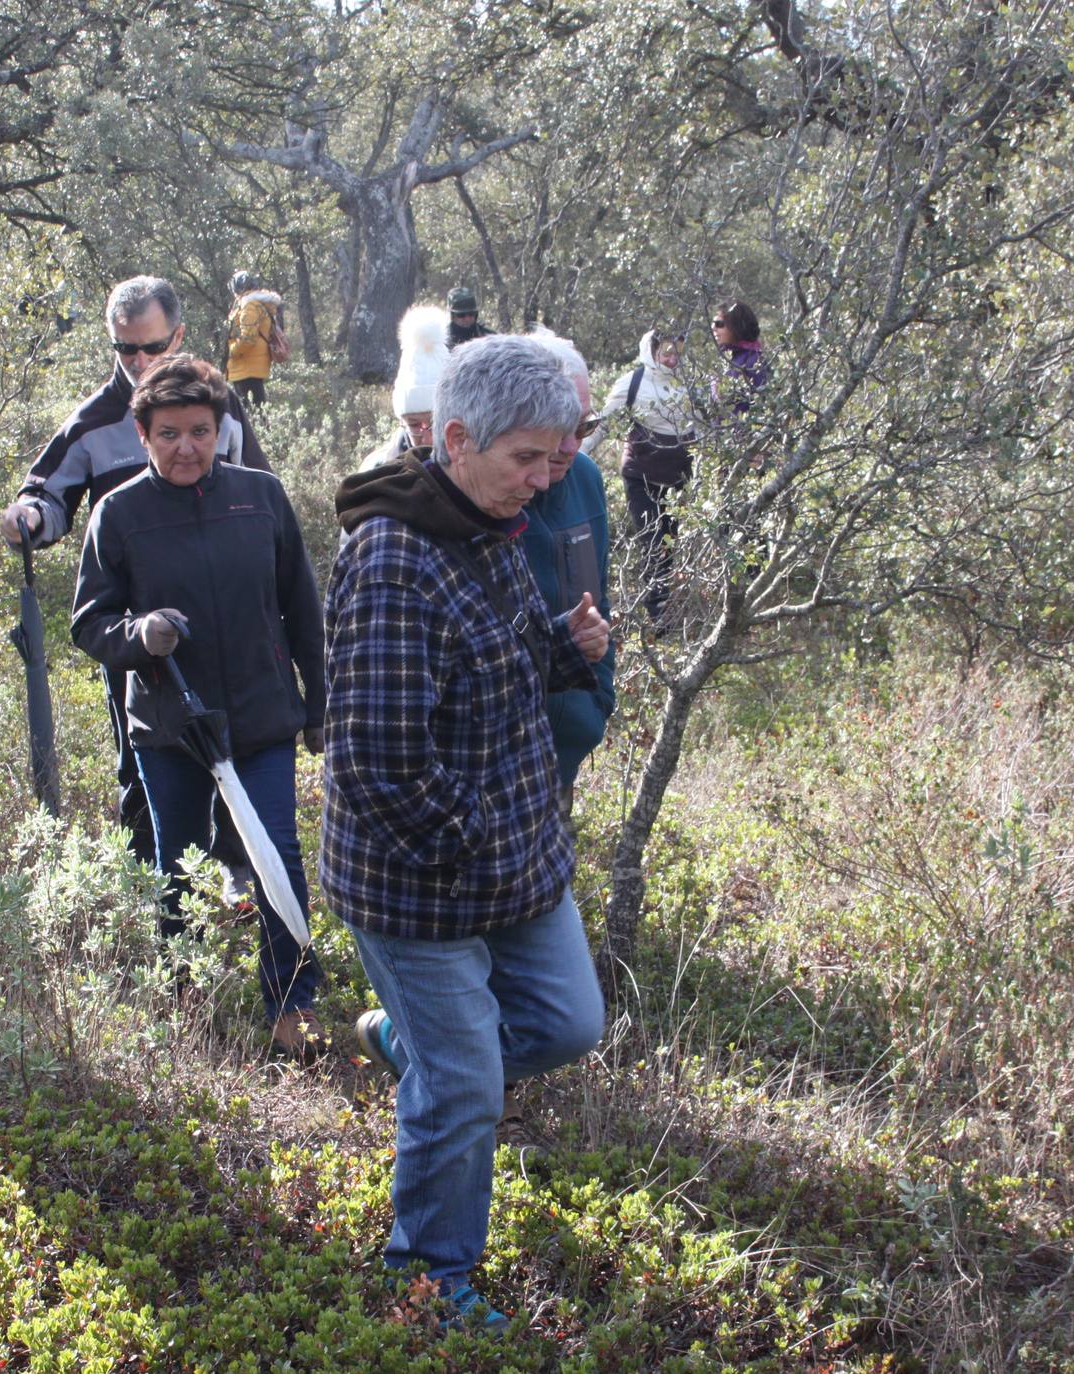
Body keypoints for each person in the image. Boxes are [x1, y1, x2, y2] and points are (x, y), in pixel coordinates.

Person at [325, 335, 611, 1327]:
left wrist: (563, 653)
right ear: (454, 438)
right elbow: (379, 767)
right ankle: (430, 1279)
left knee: (570, 1025)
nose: (542, 480)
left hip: (512, 860)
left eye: (558, 457)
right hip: (417, 886)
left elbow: (493, 665)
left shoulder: (486, 519)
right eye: (526, 458)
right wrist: (489, 841)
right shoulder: (395, 563)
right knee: (466, 1091)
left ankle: (411, 1053)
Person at [70, 356, 326, 1058]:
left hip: (262, 712)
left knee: (277, 855)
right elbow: (88, 625)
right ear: (142, 435)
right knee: (177, 862)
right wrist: (139, 634)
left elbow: (303, 609)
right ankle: (182, 995)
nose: (187, 447)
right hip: (168, 724)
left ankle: (290, 1003)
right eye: (170, 433)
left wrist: (318, 706)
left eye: (201, 432)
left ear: (222, 431)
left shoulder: (261, 497)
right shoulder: (118, 513)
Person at [0, 276, 270, 866]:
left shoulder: (218, 405)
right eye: (125, 349)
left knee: (235, 742)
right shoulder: (94, 420)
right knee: (140, 756)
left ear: (179, 335)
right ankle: (154, 887)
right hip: (133, 632)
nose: (140, 361)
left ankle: (233, 871)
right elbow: (48, 498)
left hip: (225, 618)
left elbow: (262, 498)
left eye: (152, 347)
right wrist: (29, 517)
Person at [520, 329, 616, 818]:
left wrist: (596, 704)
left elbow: (599, 601)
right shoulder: (491, 495)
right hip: (502, 760)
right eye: (557, 426)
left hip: (566, 746)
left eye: (583, 425)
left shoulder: (587, 479)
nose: (570, 445)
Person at [581, 328, 695, 621]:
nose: (672, 360)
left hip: (677, 480)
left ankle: (663, 606)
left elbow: (705, 427)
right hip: (640, 477)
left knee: (669, 542)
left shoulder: (690, 385)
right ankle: (658, 617)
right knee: (654, 542)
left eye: (676, 353)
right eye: (666, 353)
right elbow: (604, 423)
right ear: (652, 352)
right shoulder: (633, 383)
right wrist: (578, 454)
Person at [359, 304, 448, 470]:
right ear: (402, 422)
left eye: (435, 424)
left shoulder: (479, 469)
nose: (427, 439)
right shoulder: (376, 471)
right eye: (414, 425)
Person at [224, 271, 286, 409]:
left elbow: (248, 339)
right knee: (258, 410)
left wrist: (231, 351)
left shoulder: (249, 306)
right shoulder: (256, 303)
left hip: (246, 366)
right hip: (252, 365)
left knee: (248, 415)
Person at [712, 299, 769, 404]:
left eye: (719, 324)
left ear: (735, 326)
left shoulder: (755, 361)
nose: (714, 328)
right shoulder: (728, 359)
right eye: (713, 323)